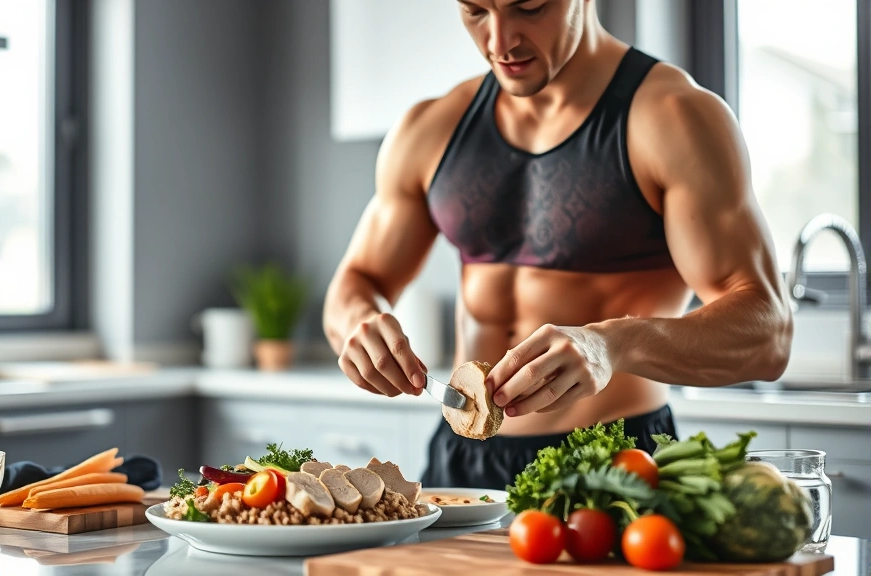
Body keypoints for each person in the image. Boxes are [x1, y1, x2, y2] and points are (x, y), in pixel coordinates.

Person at [322, 0, 793, 490]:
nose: (499, 42)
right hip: (461, 460)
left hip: (612, 464)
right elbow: (357, 281)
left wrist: (612, 344)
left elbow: (769, 335)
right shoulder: (431, 128)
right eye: (476, 11)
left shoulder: (675, 117)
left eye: (530, 7)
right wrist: (359, 324)